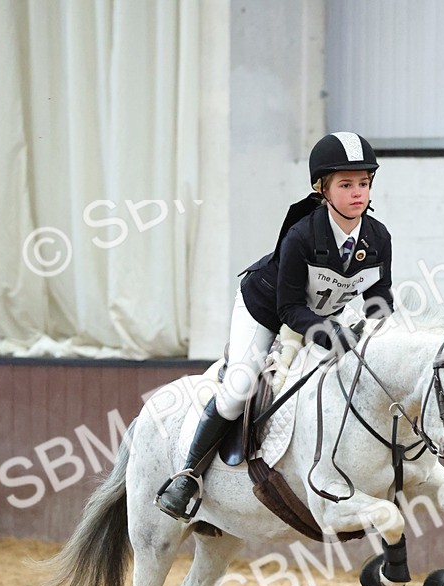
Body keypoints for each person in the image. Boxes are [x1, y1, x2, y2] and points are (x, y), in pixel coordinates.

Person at [155, 131, 394, 521]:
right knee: (238, 388)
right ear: (323, 189)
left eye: (363, 184)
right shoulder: (302, 235)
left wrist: (380, 334)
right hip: (265, 309)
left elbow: (379, 293)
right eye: (346, 184)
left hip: (324, 313)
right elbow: (289, 309)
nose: (357, 193)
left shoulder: (378, 237)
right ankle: (187, 477)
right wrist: (330, 333)